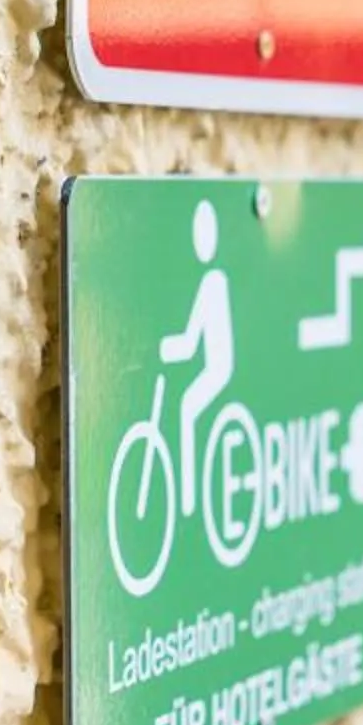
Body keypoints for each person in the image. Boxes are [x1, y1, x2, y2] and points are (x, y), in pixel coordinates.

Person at [159, 198, 235, 516]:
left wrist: (172, 348)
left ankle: (189, 499)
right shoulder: (208, 279)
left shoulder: (213, 282)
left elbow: (194, 336)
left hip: (218, 366)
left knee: (187, 407)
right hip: (208, 363)